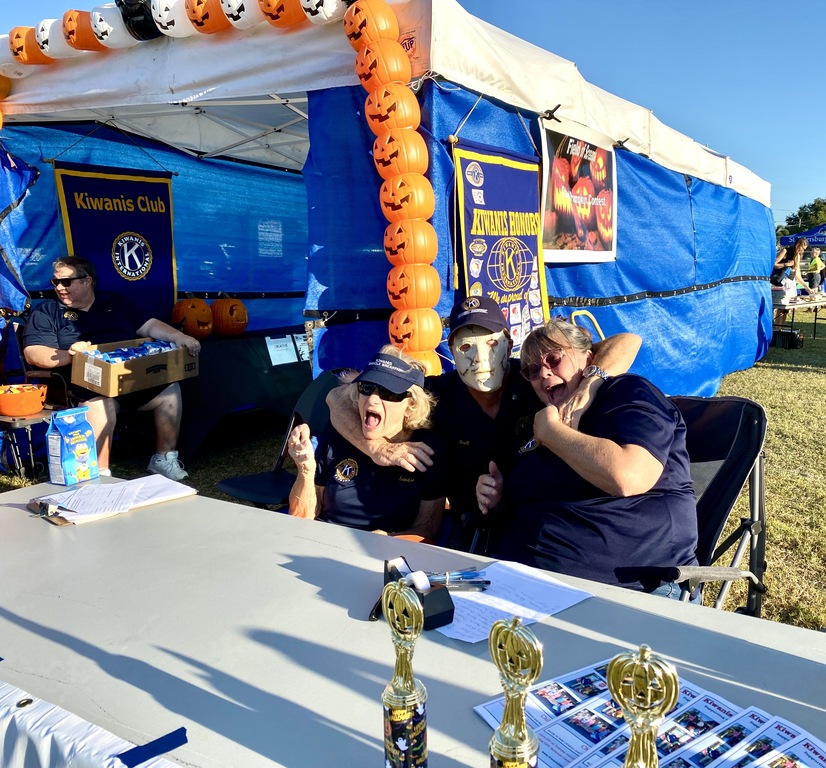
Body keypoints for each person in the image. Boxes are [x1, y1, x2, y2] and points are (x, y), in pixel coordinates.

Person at [327, 295, 641, 551]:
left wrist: (590, 384)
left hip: (540, 523)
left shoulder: (534, 377)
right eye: (466, 347)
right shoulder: (438, 394)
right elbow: (336, 398)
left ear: (509, 342)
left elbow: (627, 341)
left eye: (491, 344)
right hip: (472, 528)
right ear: (451, 352)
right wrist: (376, 448)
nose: (480, 359)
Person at [476, 318, 698, 595]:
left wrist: (553, 432)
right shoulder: (536, 420)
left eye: (554, 359)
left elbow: (628, 477)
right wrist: (499, 498)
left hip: (624, 589)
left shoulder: (627, 393)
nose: (543, 373)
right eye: (532, 370)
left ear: (589, 358)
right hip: (520, 580)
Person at [23, 256, 200, 480]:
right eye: (55, 282)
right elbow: (33, 352)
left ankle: (163, 459)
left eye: (66, 282)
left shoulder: (115, 302)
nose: (59, 287)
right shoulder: (47, 311)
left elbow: (149, 325)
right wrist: (68, 356)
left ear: (87, 281)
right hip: (80, 386)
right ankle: (99, 474)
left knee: (170, 391)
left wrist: (179, 336)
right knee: (102, 405)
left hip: (127, 381)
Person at [286, 346, 447, 540]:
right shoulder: (341, 434)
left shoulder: (428, 449)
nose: (372, 400)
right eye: (366, 388)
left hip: (385, 551)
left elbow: (427, 529)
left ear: (411, 405)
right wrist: (305, 470)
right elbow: (301, 517)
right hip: (324, 540)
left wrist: (388, 538)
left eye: (387, 392)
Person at [772, 238, 813, 325]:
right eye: (802, 248)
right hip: (781, 282)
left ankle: (781, 328)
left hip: (791, 283)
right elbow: (774, 264)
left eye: (804, 249)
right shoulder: (785, 251)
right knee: (781, 307)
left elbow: (797, 274)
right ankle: (778, 328)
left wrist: (806, 287)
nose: (802, 251)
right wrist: (786, 264)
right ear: (798, 245)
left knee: (786, 309)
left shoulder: (797, 256)